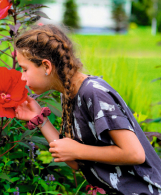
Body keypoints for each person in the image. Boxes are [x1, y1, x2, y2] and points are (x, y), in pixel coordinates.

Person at [14, 24, 161, 195]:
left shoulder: (93, 92)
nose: (22, 77)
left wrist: (78, 150)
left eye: (25, 69)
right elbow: (75, 162)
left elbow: (134, 153)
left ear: (46, 66)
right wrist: (40, 118)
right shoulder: (69, 93)